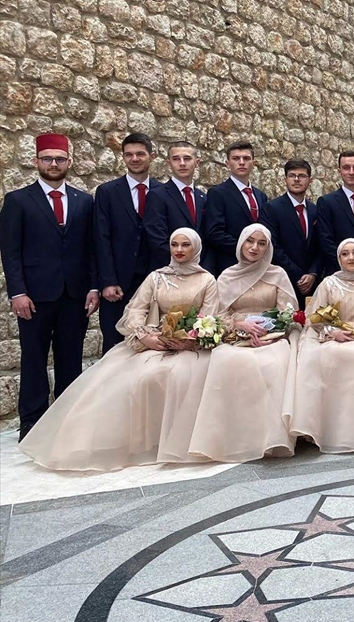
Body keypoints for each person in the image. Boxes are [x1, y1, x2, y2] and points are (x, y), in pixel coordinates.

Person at [18, 229, 218, 470]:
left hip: (189, 346)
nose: (179, 250)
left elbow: (210, 317)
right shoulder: (156, 277)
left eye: (185, 245)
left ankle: (175, 441)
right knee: (130, 378)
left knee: (175, 375)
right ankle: (137, 442)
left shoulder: (207, 280)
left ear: (195, 248)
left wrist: (188, 340)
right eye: (174, 244)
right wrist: (146, 337)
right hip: (153, 342)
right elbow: (135, 311)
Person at [0, 134, 100, 440]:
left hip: (75, 295)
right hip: (34, 296)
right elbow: (10, 250)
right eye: (47, 159)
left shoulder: (85, 201)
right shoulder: (18, 201)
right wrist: (17, 292)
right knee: (34, 358)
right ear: (36, 162)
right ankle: (32, 422)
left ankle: (67, 421)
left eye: (59, 159)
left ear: (69, 162)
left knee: (70, 359)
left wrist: (94, 288)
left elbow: (92, 248)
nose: (53, 164)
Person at [188, 224, 298, 462]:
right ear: (240, 243)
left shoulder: (277, 274)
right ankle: (231, 437)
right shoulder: (227, 276)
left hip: (271, 339)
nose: (254, 247)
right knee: (226, 361)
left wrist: (268, 330)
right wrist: (240, 325)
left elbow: (288, 313)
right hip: (234, 338)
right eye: (250, 241)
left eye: (261, 243)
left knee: (275, 364)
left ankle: (269, 438)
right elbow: (217, 316)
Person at [288, 238, 354, 453]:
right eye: (345, 254)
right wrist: (332, 332)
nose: (351, 258)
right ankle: (328, 426)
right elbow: (312, 317)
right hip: (333, 336)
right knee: (329, 354)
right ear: (338, 258)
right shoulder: (327, 283)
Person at [94, 133, 162, 353]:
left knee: (154, 342)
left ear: (152, 156)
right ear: (123, 157)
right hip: (118, 284)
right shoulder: (107, 192)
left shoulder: (164, 192)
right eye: (129, 155)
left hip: (155, 280)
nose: (134, 159)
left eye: (140, 154)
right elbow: (101, 237)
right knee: (114, 345)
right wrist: (107, 281)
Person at [203, 141, 271, 276]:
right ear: (228, 164)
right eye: (236, 158)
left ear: (253, 163)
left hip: (258, 266)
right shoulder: (218, 193)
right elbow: (214, 232)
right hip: (230, 264)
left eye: (246, 158)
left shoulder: (260, 195)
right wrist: (244, 250)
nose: (241, 162)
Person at [265, 159, 322, 306]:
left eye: (302, 176)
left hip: (313, 284)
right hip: (284, 281)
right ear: (285, 179)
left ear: (310, 180)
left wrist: (313, 274)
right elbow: (273, 246)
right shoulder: (271, 208)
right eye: (292, 175)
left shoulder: (316, 210)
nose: (296, 179)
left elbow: (321, 245)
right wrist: (299, 275)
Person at [144, 141, 206, 269]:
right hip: (169, 268)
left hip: (199, 270)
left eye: (187, 158)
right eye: (176, 159)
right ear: (169, 163)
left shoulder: (203, 197)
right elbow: (156, 237)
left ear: (197, 163)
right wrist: (182, 264)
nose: (182, 163)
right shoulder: (157, 195)